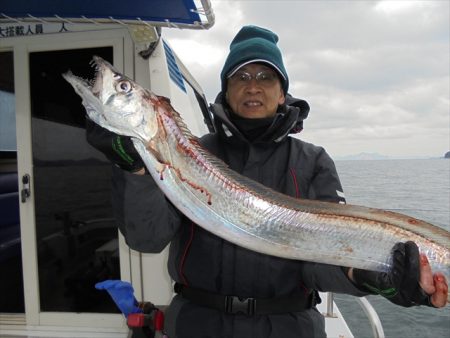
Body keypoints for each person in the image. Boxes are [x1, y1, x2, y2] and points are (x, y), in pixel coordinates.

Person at [87, 25, 448, 337]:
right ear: (226, 90)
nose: (253, 87)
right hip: (198, 324)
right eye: (241, 77)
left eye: (265, 77)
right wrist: (132, 170)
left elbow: (323, 257)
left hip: (289, 328)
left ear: (282, 93)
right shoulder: (191, 152)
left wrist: (370, 276)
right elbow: (145, 239)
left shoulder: (313, 161)